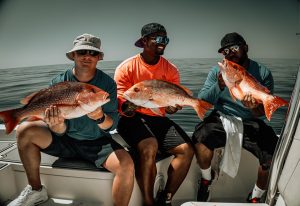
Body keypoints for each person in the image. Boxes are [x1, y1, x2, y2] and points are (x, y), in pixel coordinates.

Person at [9, 33, 134, 206]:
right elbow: (60, 129)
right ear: (73, 55)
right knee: (24, 130)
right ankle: (36, 190)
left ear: (99, 58)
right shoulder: (59, 81)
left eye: (93, 53)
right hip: (65, 140)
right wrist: (57, 125)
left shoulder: (107, 85)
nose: (87, 57)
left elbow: (111, 125)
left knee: (126, 165)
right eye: (82, 52)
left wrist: (100, 117)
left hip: (96, 142)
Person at [192, 32, 279, 203]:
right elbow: (202, 100)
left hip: (251, 121)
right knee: (200, 139)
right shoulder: (218, 71)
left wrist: (253, 108)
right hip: (222, 117)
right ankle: (206, 180)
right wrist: (219, 85)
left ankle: (255, 197)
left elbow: (264, 111)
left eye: (234, 48)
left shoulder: (263, 72)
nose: (230, 53)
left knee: (273, 154)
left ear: (245, 47)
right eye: (225, 51)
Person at [114, 23, 194, 206]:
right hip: (130, 118)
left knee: (187, 150)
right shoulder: (126, 68)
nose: (163, 43)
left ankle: (165, 198)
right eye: (158, 38)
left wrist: (172, 107)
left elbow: (169, 104)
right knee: (150, 146)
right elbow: (122, 107)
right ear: (144, 41)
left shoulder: (171, 69)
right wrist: (131, 105)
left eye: (165, 39)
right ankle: (148, 202)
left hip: (158, 117)